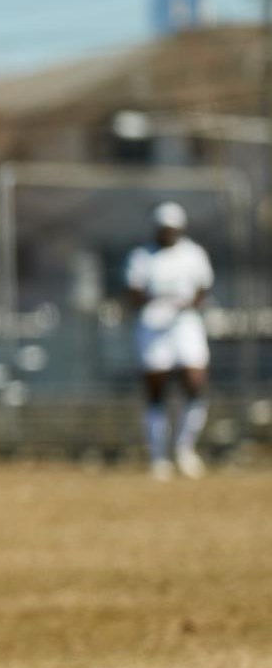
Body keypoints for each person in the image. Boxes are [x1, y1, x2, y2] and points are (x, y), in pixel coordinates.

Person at [125, 201, 214, 480]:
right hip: (153, 327)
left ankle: (184, 448)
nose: (169, 234)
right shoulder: (142, 257)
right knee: (156, 391)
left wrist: (186, 305)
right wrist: (158, 302)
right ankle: (158, 455)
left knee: (195, 382)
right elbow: (134, 293)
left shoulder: (193, 254)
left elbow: (203, 288)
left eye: (174, 230)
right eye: (165, 230)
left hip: (185, 325)